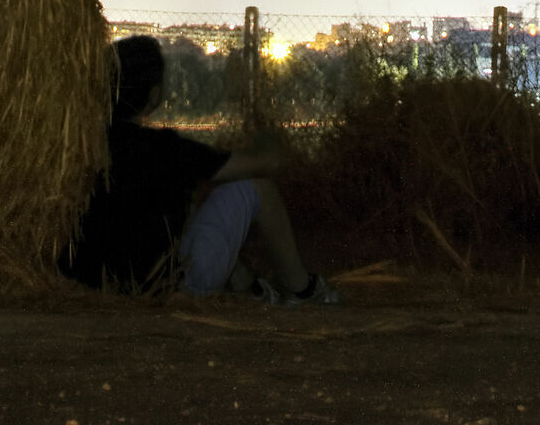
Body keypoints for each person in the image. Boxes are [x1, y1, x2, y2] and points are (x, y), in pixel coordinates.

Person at [60, 35, 340, 304]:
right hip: (168, 286)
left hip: (92, 283)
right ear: (154, 95)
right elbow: (270, 163)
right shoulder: (166, 150)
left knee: (189, 205)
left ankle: (247, 287)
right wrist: (264, 125)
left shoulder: (83, 145)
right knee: (257, 192)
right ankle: (301, 290)